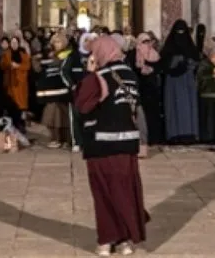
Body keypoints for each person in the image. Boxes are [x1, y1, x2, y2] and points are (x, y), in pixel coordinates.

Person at [75, 32, 148, 256]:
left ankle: (107, 240)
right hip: (127, 143)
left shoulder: (100, 76)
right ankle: (125, 240)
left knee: (104, 193)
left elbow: (83, 105)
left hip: (102, 143)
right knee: (125, 191)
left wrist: (89, 74)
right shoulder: (130, 75)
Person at [159, 19, 199, 144]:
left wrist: (187, 64)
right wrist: (175, 64)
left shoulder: (190, 47)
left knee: (187, 107)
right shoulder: (168, 48)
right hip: (173, 80)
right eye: (178, 32)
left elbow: (196, 59)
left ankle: (189, 133)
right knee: (173, 107)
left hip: (187, 80)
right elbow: (163, 63)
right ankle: (174, 134)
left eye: (183, 32)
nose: (180, 35)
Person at [37, 31, 73, 148]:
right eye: (55, 42)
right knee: (51, 116)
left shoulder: (67, 55)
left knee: (62, 117)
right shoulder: (50, 55)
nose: (56, 44)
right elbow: (41, 69)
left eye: (59, 42)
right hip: (51, 91)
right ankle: (55, 138)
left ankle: (65, 140)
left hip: (62, 90)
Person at [131, 32, 163, 147]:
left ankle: (154, 138)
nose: (146, 44)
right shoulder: (134, 55)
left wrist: (150, 68)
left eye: (148, 41)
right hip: (140, 89)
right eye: (144, 42)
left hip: (152, 89)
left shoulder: (154, 54)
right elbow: (134, 70)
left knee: (152, 114)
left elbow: (159, 67)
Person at [0, 35, 31, 117]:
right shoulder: (6, 54)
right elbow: (2, 65)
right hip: (10, 81)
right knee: (12, 99)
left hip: (21, 81)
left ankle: (22, 116)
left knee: (21, 100)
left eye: (15, 43)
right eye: (12, 43)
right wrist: (9, 65)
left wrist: (18, 66)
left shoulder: (23, 53)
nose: (14, 44)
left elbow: (27, 66)